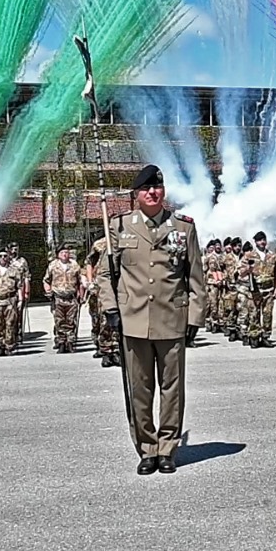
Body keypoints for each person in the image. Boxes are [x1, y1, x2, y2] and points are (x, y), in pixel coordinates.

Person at [96, 164, 203, 475]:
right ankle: (147, 449)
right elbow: (105, 274)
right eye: (145, 189)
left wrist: (195, 317)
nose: (152, 193)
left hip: (172, 319)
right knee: (139, 389)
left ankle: (168, 448)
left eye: (157, 188)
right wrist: (111, 309)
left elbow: (195, 276)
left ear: (163, 191)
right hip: (133, 321)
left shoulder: (183, 228)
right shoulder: (118, 227)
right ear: (136, 194)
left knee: (173, 388)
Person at [89, 233, 121, 368]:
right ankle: (106, 351)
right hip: (103, 287)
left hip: (121, 285)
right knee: (104, 319)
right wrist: (90, 281)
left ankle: (117, 350)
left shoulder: (126, 240)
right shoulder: (99, 244)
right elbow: (90, 263)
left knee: (119, 321)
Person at [242, 230, 276, 347]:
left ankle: (265, 337)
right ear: (255, 242)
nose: (262, 242)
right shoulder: (249, 256)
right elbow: (240, 273)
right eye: (259, 240)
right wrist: (248, 269)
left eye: (263, 240)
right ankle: (254, 337)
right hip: (255, 290)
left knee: (268, 314)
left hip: (268, 290)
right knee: (254, 314)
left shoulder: (272, 256)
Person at [0, 248, 25, 356]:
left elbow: (20, 286)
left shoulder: (14, 270)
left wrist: (21, 300)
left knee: (10, 324)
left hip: (10, 300)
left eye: (5, 256)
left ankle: (9, 347)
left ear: (8, 257)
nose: (3, 258)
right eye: (0, 256)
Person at [44, 244, 82, 353]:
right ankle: (61, 342)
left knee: (71, 320)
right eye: (62, 253)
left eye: (66, 252)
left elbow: (79, 281)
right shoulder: (53, 265)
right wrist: (48, 291)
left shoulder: (74, 265)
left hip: (71, 297)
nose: (65, 254)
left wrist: (81, 295)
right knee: (59, 321)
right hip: (58, 297)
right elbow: (46, 280)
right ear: (58, 255)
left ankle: (70, 342)